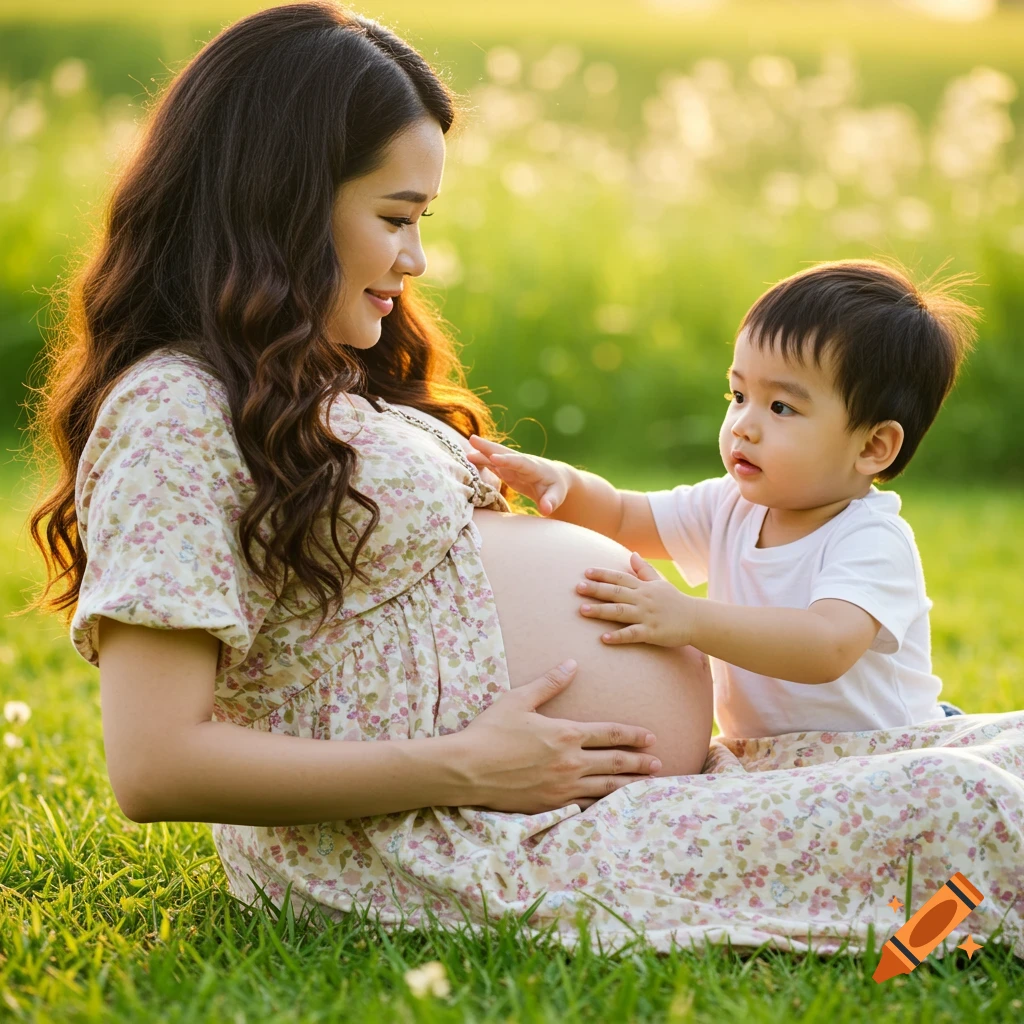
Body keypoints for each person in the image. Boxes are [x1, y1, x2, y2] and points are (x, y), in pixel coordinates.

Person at [24, 3, 1024, 959]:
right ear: (282, 205)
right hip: (455, 836)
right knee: (970, 805)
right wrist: (462, 765)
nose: (415, 258)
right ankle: (929, 937)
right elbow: (154, 765)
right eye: (395, 215)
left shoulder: (313, 376)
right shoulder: (174, 411)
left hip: (566, 792)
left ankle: (936, 917)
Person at [467, 260, 978, 739]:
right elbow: (625, 516)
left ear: (872, 446)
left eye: (780, 407)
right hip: (777, 764)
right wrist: (564, 484)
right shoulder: (730, 506)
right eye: (737, 396)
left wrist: (689, 618)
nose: (744, 426)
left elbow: (827, 645)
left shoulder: (870, 539)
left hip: (884, 756)